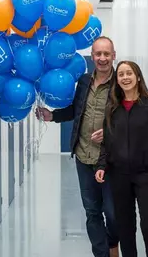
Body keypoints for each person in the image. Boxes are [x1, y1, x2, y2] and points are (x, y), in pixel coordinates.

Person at [35, 36, 119, 257]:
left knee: (113, 212)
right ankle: (101, 254)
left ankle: (113, 244)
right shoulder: (83, 82)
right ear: (92, 56)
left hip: (111, 159)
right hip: (84, 156)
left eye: (106, 54)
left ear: (113, 56)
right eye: (98, 54)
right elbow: (75, 109)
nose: (102, 58)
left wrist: (111, 134)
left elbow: (132, 118)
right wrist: (51, 115)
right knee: (92, 211)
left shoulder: (120, 83)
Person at [95, 61, 148, 257]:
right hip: (119, 175)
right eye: (121, 74)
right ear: (117, 80)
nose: (125, 77)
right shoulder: (112, 107)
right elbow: (107, 143)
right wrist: (102, 165)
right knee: (125, 227)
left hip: (145, 175)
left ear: (138, 77)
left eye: (129, 73)